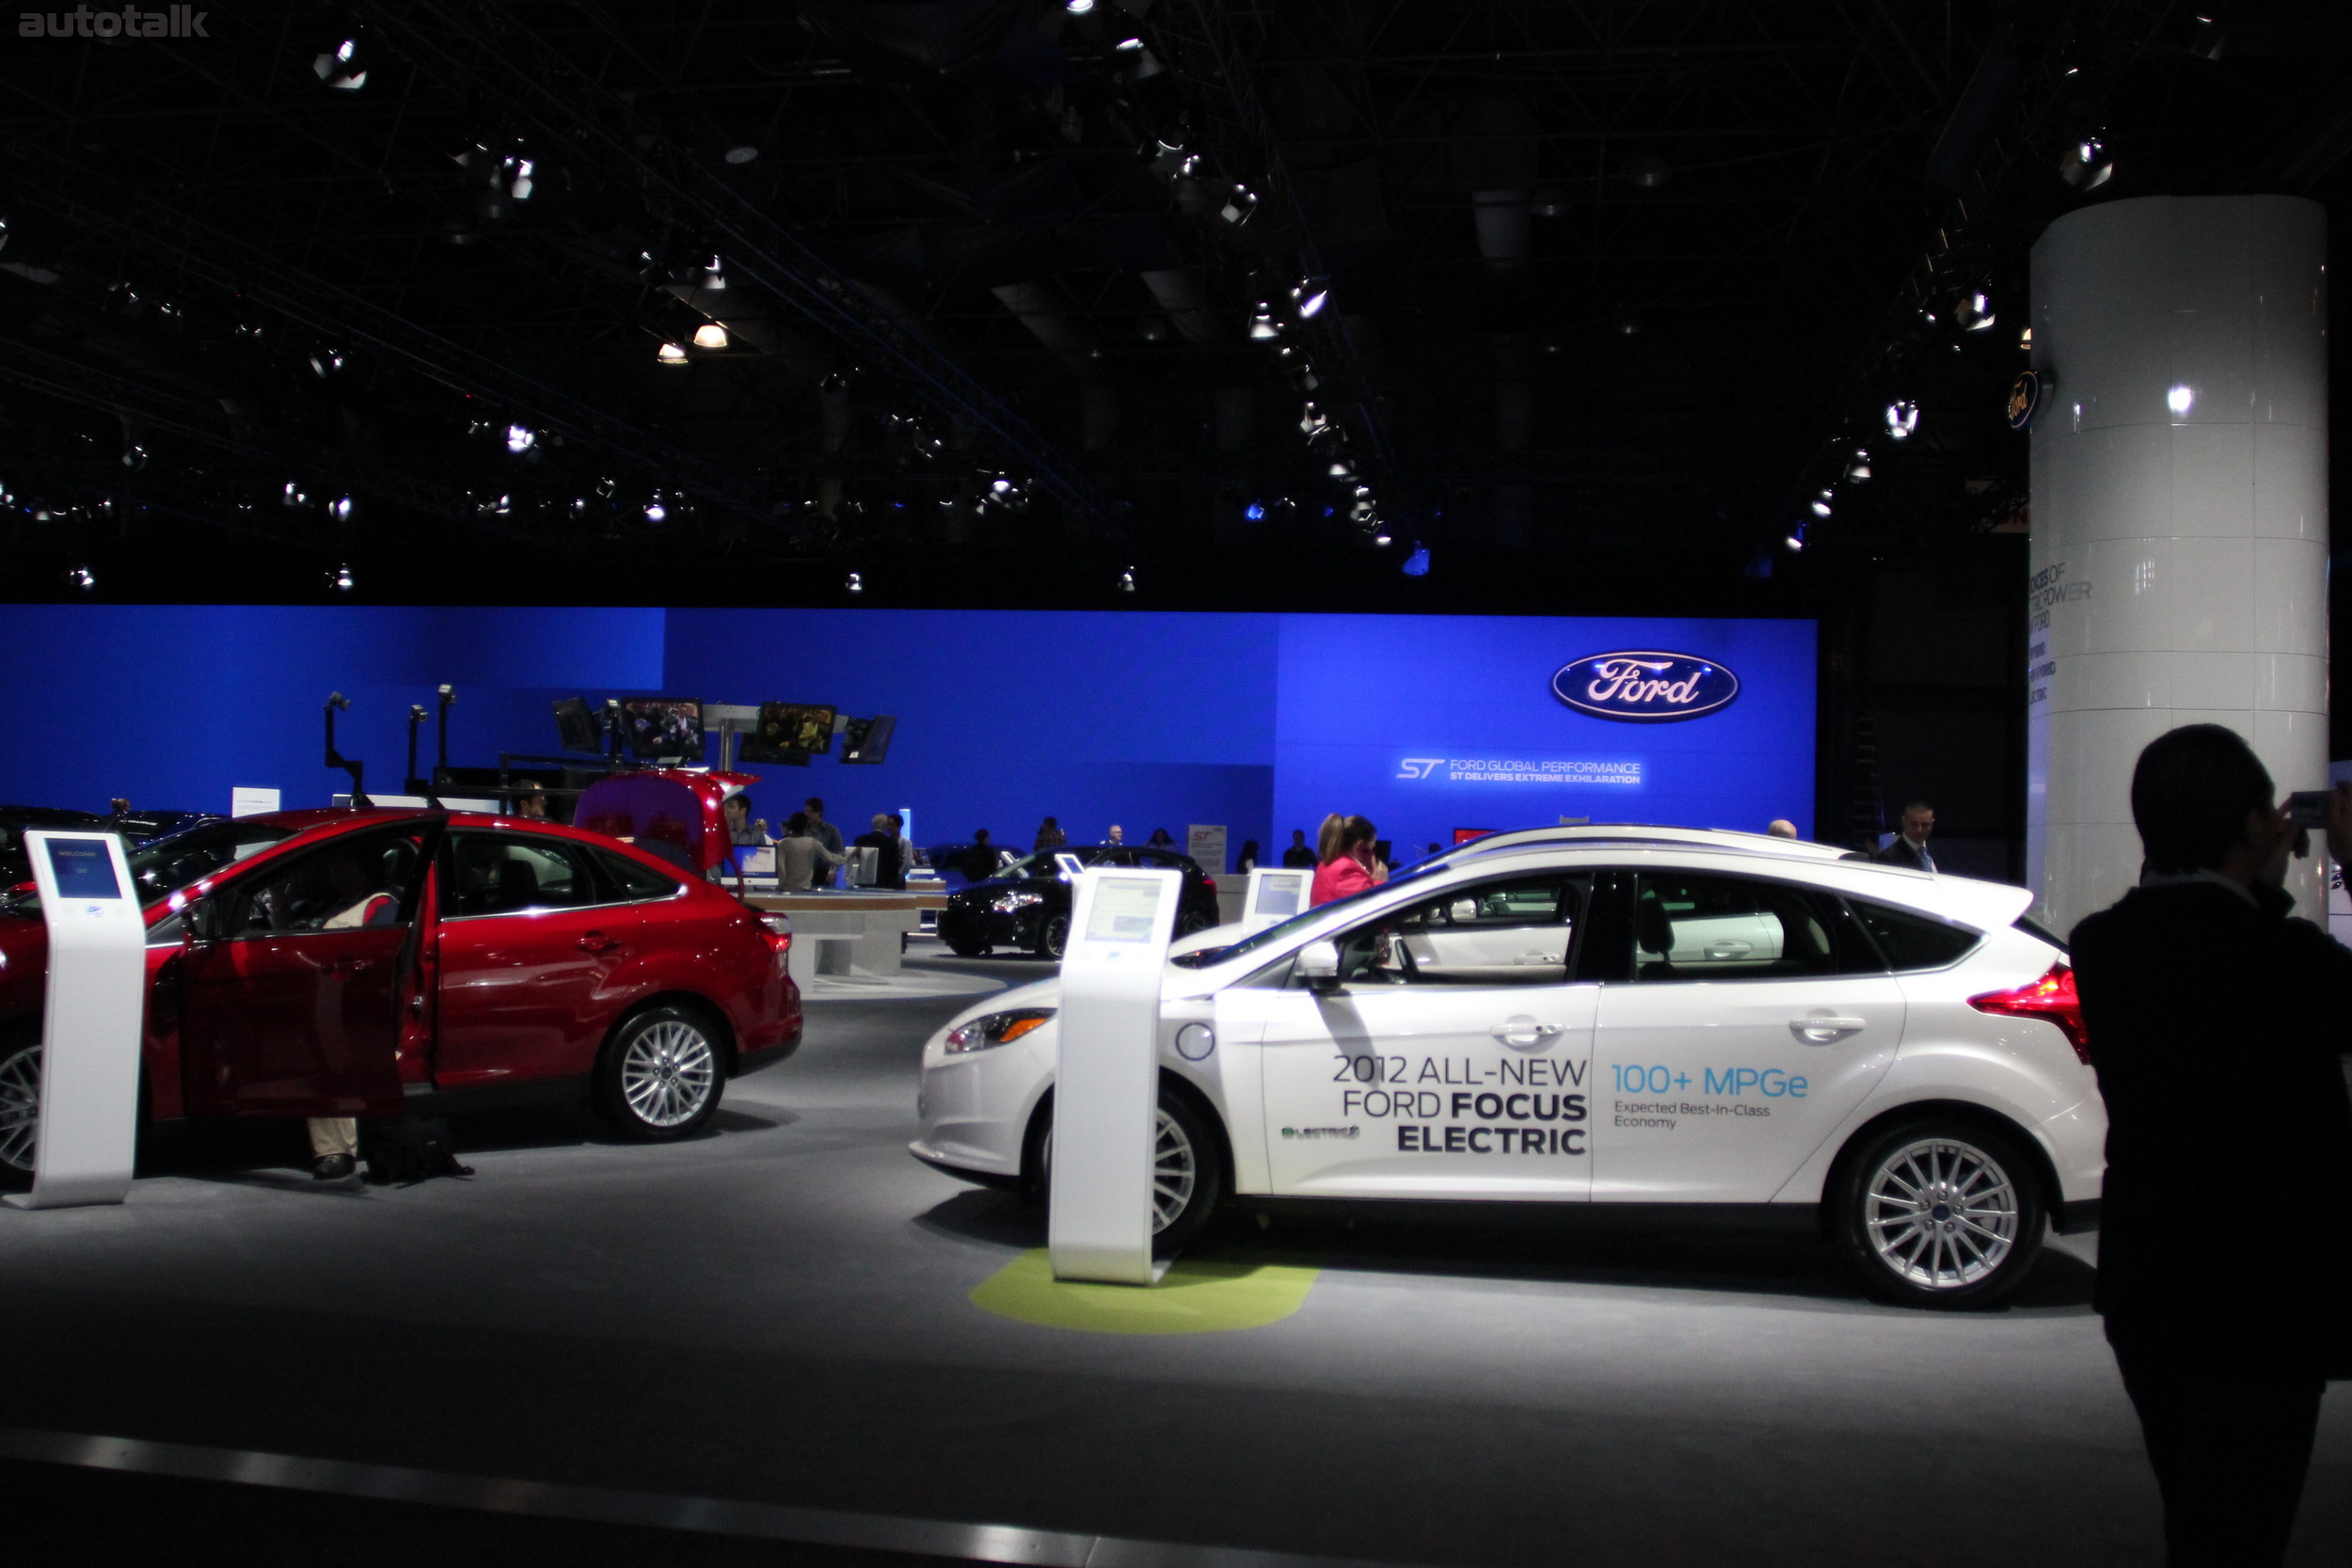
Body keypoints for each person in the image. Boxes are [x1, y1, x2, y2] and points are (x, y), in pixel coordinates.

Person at [2071, 726, 2352, 1568]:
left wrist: (2255, 869)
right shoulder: (2286, 959)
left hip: (2151, 1281)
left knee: (2199, 1514)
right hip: (2264, 1296)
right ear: (2252, 825)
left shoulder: (2102, 942)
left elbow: (2206, 930)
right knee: (2238, 1531)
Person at [1311, 816, 1384, 906]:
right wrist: (1380, 883)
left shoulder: (1326, 863)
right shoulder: (1348, 871)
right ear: (1361, 846)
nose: (1372, 855)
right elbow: (1372, 908)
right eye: (1371, 849)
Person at [1873, 800, 1935, 870]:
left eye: (1925, 825)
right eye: (1914, 824)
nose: (1919, 830)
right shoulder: (1888, 858)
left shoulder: (1941, 851)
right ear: (1904, 821)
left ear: (1932, 824)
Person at [854, 812, 904, 890]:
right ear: (885, 826)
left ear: (872, 824)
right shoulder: (892, 843)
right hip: (885, 884)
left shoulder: (860, 840)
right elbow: (894, 867)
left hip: (863, 884)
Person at [804, 796, 844, 887]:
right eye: (805, 811)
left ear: (819, 812)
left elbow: (839, 853)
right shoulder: (802, 831)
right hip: (804, 876)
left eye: (810, 812)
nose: (807, 814)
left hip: (825, 876)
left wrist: (833, 869)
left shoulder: (832, 831)